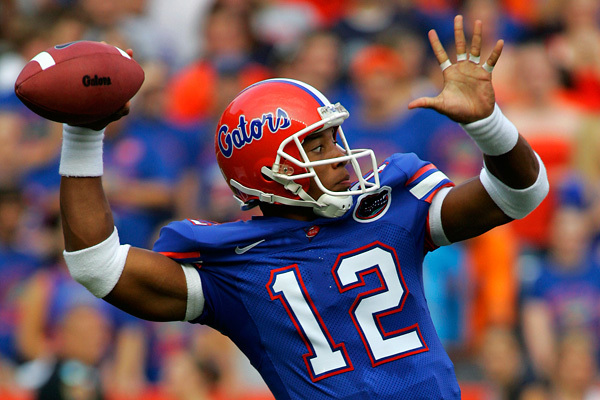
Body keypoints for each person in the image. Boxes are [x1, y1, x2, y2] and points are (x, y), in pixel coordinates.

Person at [57, 16, 548, 399]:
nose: (338, 154)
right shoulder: (237, 267)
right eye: (315, 146)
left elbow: (519, 194)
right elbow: (97, 266)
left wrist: (489, 125)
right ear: (267, 172)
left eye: (334, 136)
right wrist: (82, 135)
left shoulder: (388, 209)